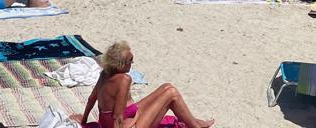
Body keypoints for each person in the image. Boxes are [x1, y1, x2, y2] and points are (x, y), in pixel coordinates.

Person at [73, 41, 214, 128]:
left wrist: (84, 120)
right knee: (171, 94)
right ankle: (195, 126)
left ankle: (194, 122)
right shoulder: (124, 80)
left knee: (167, 87)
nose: (133, 62)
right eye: (130, 60)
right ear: (121, 64)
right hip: (124, 125)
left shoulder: (105, 73)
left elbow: (92, 99)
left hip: (106, 124)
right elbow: (118, 116)